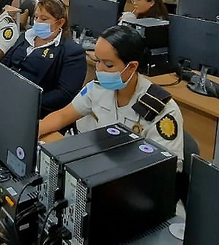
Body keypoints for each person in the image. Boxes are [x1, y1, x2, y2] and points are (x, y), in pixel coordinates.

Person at [39, 25, 184, 168]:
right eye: (98, 61)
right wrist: (33, 131)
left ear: (132, 67)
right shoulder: (97, 88)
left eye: (108, 65)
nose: (99, 69)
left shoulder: (161, 109)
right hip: (95, 165)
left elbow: (167, 167)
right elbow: (62, 116)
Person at [0, 0, 86, 116]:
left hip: (34, 108)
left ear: (60, 23)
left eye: (44, 19)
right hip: (5, 95)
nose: (38, 21)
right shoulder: (26, 36)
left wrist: (28, 103)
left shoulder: (72, 52)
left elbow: (64, 94)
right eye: (36, 17)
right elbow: (4, 62)